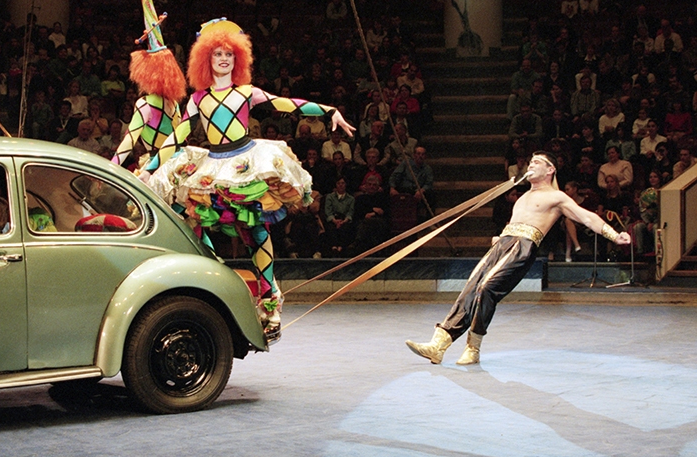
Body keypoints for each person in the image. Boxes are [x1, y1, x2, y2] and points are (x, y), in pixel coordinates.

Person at [145, 18, 354, 338]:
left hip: (246, 164)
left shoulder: (247, 93)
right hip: (213, 167)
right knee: (194, 225)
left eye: (229, 53)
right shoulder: (198, 99)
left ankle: (270, 301)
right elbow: (176, 137)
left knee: (255, 232)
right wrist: (148, 168)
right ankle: (220, 286)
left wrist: (328, 111)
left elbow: (288, 105)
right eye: (217, 54)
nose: (224, 58)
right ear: (206, 59)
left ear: (238, 57)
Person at [406, 152, 630, 365]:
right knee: (471, 287)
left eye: (537, 162)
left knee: (486, 288)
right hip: (504, 243)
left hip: (523, 246)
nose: (531, 165)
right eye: (530, 162)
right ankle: (439, 344)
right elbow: (516, 222)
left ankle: (473, 348)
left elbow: (586, 217)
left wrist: (613, 234)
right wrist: (502, 237)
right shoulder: (522, 197)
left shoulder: (556, 196)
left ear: (550, 169)